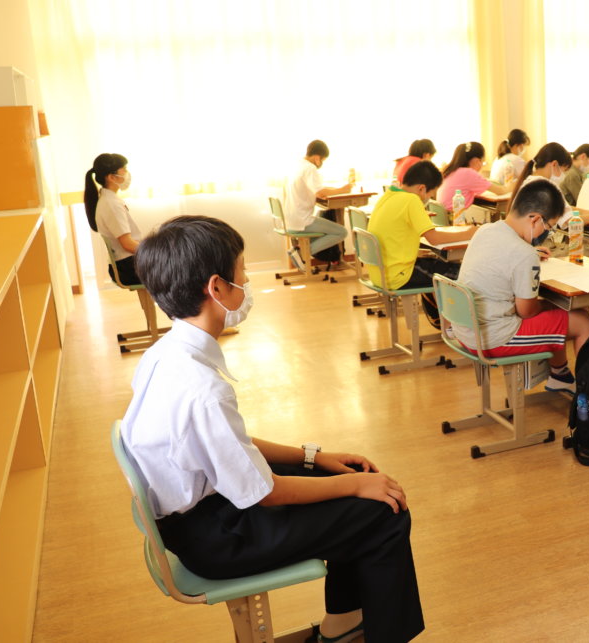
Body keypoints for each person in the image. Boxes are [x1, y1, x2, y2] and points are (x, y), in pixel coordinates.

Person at [122, 215, 423, 643]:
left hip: (201, 514)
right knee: (382, 510)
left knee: (346, 481)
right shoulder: (202, 390)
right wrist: (358, 486)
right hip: (217, 538)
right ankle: (363, 632)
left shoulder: (163, 353)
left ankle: (342, 627)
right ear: (217, 288)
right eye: (242, 271)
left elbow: (228, 446)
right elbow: (265, 493)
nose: (247, 282)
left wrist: (314, 458)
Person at [455, 180, 589, 394]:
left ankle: (560, 375)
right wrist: (547, 303)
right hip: (493, 337)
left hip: (465, 328)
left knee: (558, 312)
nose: (546, 233)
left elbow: (503, 257)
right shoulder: (523, 254)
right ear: (535, 219)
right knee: (582, 321)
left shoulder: (485, 230)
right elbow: (527, 312)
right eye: (548, 227)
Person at [368, 161, 478, 327]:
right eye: (430, 194)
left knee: (436, 266)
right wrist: (469, 233)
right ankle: (456, 327)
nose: (428, 199)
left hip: (381, 273)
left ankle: (442, 323)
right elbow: (434, 238)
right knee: (463, 272)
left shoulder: (388, 195)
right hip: (399, 275)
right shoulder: (411, 200)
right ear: (421, 188)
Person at [284, 140, 350, 262]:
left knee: (327, 229)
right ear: (317, 157)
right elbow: (320, 192)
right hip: (303, 221)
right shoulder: (310, 168)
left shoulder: (298, 165)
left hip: (291, 220)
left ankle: (299, 250)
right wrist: (343, 190)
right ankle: (302, 254)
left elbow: (318, 189)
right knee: (341, 232)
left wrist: (334, 190)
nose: (322, 163)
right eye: (323, 160)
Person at [514, 142, 589, 225]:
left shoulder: (530, 180)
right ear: (554, 164)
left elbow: (565, 208)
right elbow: (569, 221)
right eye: (564, 170)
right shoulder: (547, 187)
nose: (564, 175)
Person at [84, 152, 142, 285]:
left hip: (127, 264)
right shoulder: (111, 204)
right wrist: (153, 253)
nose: (127, 173)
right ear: (111, 177)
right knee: (179, 266)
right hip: (128, 268)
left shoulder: (109, 200)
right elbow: (127, 244)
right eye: (124, 169)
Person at [437, 141, 505, 210]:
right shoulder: (468, 173)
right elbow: (502, 191)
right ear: (476, 161)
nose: (482, 166)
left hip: (444, 215)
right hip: (455, 215)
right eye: (483, 161)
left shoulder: (451, 170)